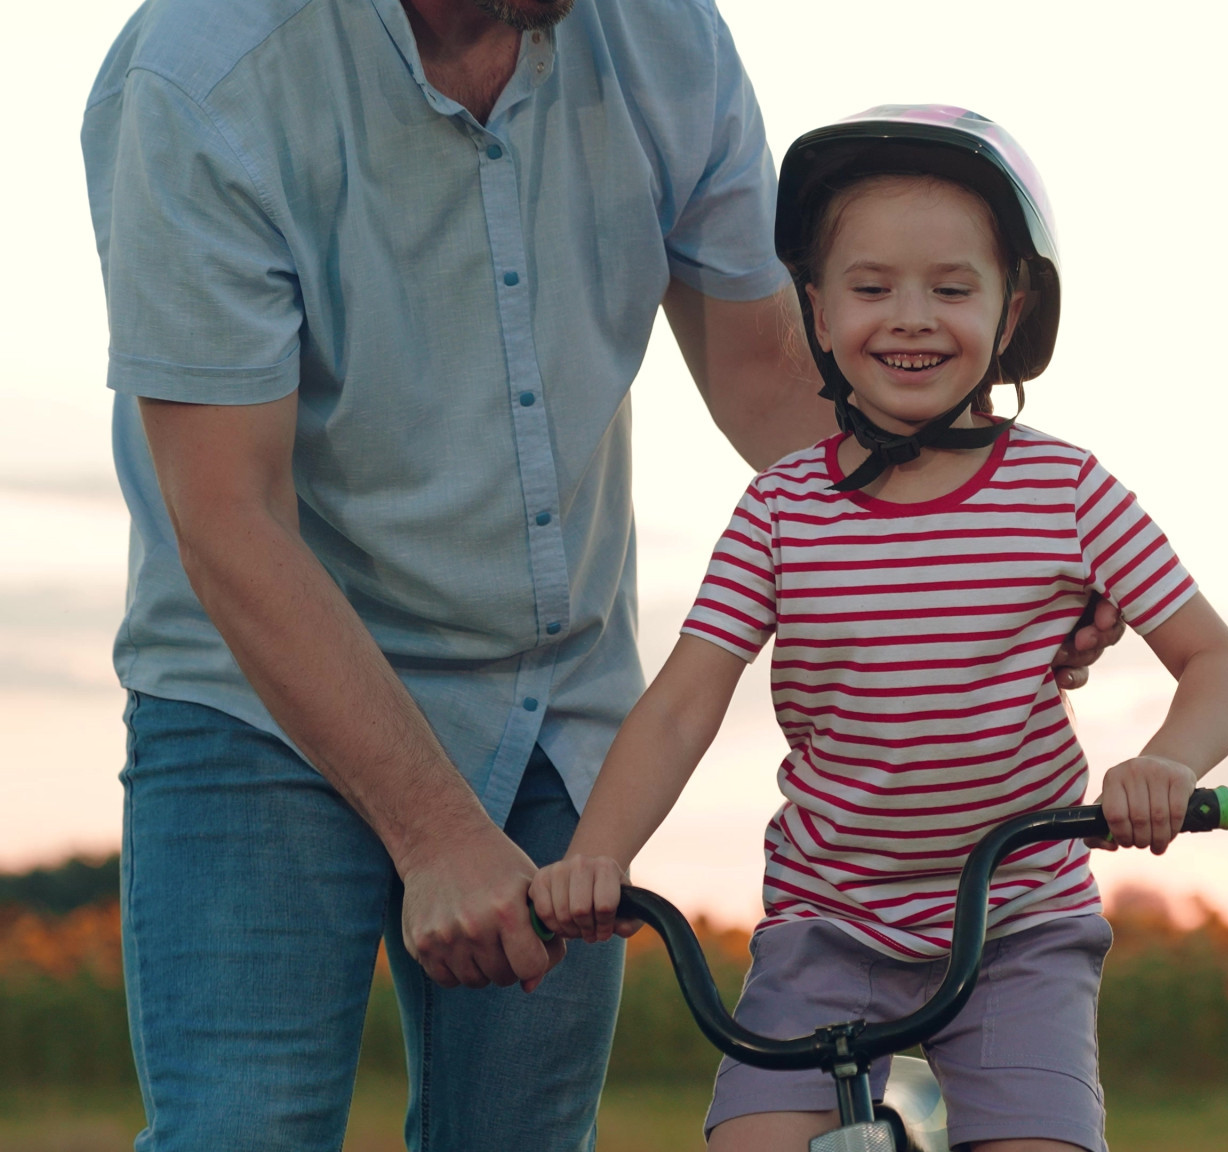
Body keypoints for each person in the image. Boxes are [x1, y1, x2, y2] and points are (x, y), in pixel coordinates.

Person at [81, 2, 1121, 1147]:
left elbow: (766, 377)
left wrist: (977, 551)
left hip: (551, 706)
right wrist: (435, 833)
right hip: (259, 704)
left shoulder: (663, 33)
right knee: (245, 1133)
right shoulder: (206, 72)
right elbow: (228, 518)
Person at [530, 106, 1228, 1152]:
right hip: (826, 923)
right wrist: (596, 854)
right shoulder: (781, 509)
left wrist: (1166, 762)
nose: (910, 318)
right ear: (817, 314)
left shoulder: (1066, 491)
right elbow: (683, 704)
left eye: (952, 289)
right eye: (870, 288)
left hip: (1016, 921)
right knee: (752, 1144)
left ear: (1011, 313)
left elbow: (1216, 664)